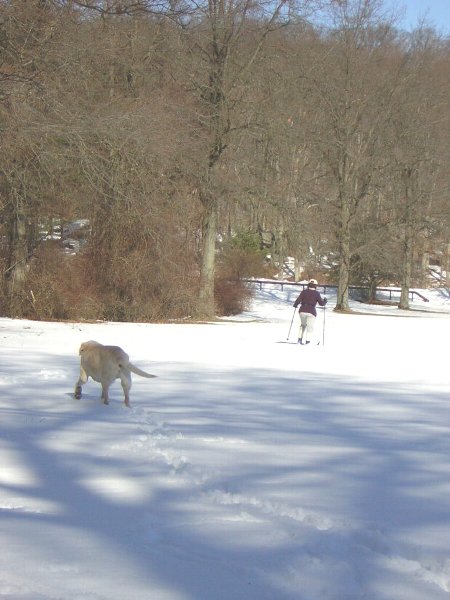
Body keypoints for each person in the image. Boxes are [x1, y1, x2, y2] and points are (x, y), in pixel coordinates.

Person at [293, 279, 327, 345]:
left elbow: (298, 300)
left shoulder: (304, 292)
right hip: (311, 312)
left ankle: (299, 340)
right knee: (310, 327)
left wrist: (295, 304)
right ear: (315, 286)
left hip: (302, 310)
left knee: (303, 325)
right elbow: (321, 303)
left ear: (308, 285)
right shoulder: (316, 293)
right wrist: (325, 301)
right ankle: (307, 341)